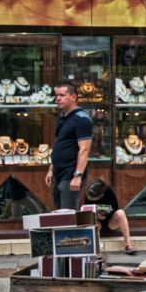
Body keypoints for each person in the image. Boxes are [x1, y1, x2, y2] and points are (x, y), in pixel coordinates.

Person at [45, 81, 92, 210]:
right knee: (60, 211)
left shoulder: (81, 119)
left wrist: (77, 176)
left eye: (62, 95)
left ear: (73, 97)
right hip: (58, 173)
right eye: (56, 95)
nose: (58, 98)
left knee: (68, 215)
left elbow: (84, 149)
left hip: (70, 173)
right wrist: (51, 168)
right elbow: (58, 143)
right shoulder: (61, 117)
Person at [84, 178, 137, 255]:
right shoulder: (88, 193)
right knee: (86, 217)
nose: (89, 199)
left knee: (121, 213)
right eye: (88, 196)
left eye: (92, 198)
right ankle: (91, 246)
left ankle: (128, 245)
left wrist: (104, 215)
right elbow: (87, 210)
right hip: (97, 223)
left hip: (110, 222)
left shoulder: (109, 193)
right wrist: (96, 216)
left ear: (101, 195)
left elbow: (115, 209)